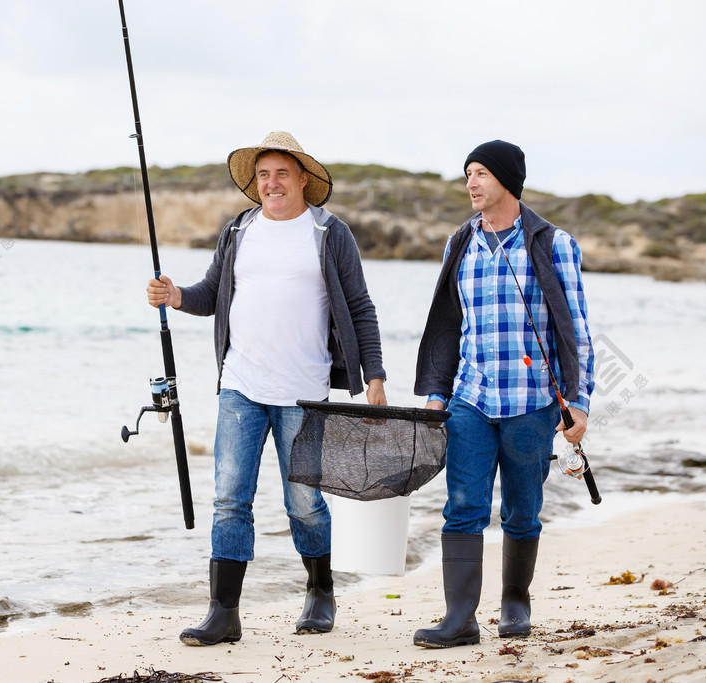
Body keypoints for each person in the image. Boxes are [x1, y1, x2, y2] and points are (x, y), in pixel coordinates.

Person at [146, 131, 388, 646]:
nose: (272, 183)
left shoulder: (329, 232)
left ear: (303, 178)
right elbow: (212, 294)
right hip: (241, 384)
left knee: (303, 502)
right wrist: (175, 295)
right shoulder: (239, 230)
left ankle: (320, 593)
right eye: (263, 175)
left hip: (304, 390)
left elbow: (360, 307)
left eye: (282, 173)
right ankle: (223, 613)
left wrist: (375, 375)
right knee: (231, 499)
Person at [412, 140, 595, 648]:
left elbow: (576, 329)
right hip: (469, 398)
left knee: (521, 508)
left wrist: (579, 401)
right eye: (468, 173)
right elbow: (447, 326)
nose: (471, 183)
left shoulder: (553, 243)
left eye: (482, 173)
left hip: (533, 402)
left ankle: (515, 599)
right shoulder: (459, 243)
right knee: (463, 504)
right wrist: (434, 392)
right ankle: (459, 618)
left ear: (509, 181)